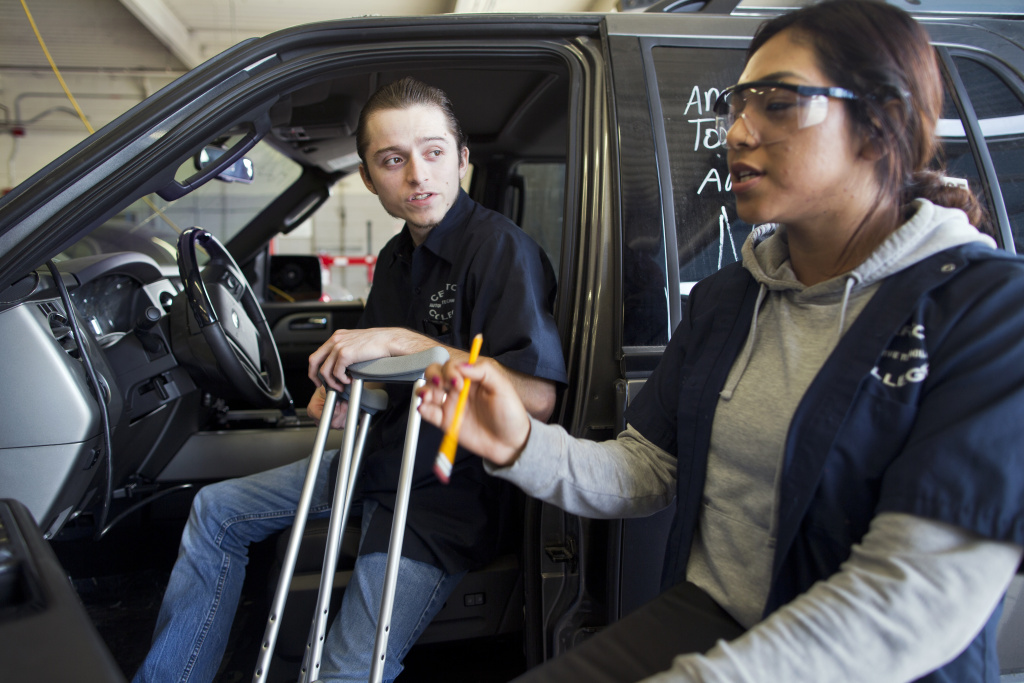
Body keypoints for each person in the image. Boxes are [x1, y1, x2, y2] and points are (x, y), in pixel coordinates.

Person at [417, 2, 1024, 682]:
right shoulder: (729, 299)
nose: (736, 132)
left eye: (779, 104)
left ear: (882, 123)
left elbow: (910, 602)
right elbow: (646, 470)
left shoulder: (988, 310)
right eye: (737, 106)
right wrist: (521, 445)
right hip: (709, 617)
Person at [133, 77, 566, 683]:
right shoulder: (396, 257)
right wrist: (344, 392)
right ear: (368, 177)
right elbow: (380, 371)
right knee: (215, 511)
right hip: (380, 460)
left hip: (446, 493)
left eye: (434, 152)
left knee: (341, 671)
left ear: (462, 159)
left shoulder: (501, 250)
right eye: (393, 160)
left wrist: (402, 342)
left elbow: (536, 399)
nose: (418, 175)